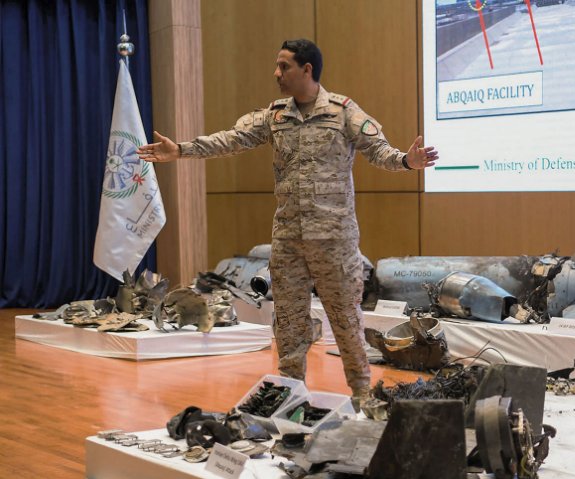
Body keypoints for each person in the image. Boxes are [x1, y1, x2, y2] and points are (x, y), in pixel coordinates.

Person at [138, 39, 437, 405]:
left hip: (334, 242)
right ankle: (290, 397)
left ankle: (363, 398)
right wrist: (181, 150)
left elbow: (380, 152)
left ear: (307, 70)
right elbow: (231, 140)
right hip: (288, 242)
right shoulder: (275, 115)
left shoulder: (343, 112)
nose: (276, 74)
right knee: (290, 327)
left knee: (346, 323)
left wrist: (408, 162)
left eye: (284, 66)